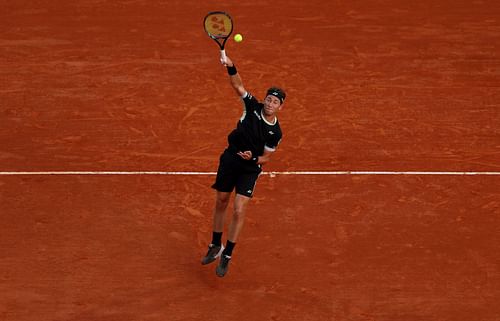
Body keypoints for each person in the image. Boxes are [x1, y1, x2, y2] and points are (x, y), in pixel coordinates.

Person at [201, 54, 286, 277]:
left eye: (275, 102)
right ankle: (215, 244)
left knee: (239, 209)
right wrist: (231, 67)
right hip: (230, 159)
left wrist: (253, 158)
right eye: (268, 99)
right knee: (221, 200)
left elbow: (267, 158)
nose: (269, 103)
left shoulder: (275, 133)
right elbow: (238, 86)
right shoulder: (252, 106)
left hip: (249, 168)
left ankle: (227, 254)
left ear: (280, 107)